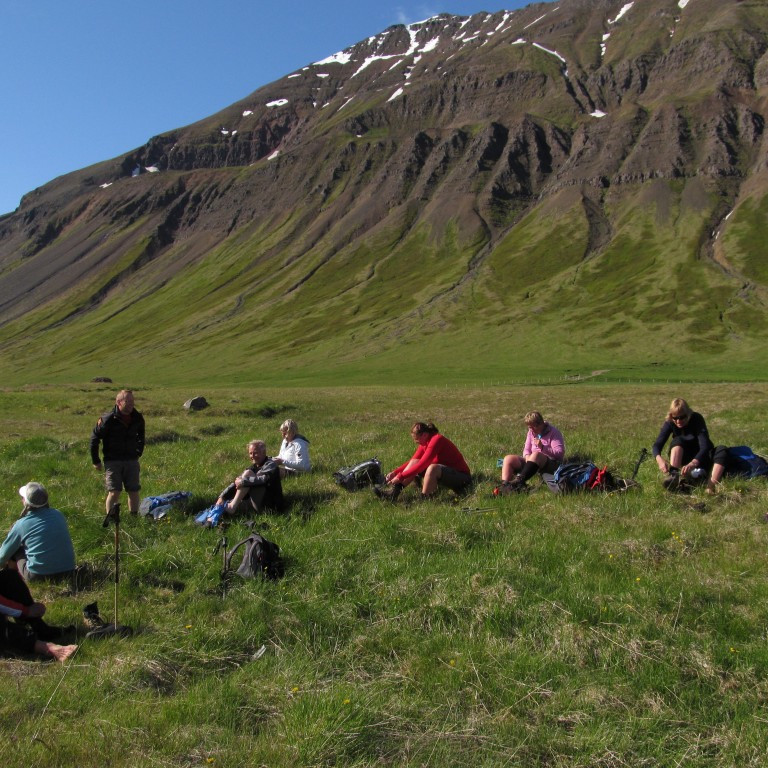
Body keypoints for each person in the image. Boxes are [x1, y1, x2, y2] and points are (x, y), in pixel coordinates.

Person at [375, 422, 471, 502]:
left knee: (433, 468)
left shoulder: (437, 440)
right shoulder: (425, 442)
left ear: (424, 435)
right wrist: (395, 473)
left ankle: (424, 500)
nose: (415, 442)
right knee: (415, 462)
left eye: (416, 439)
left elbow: (422, 464)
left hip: (462, 478)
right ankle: (394, 493)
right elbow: (413, 461)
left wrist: (401, 476)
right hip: (446, 474)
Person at [0, 483, 76, 581]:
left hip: (38, 576)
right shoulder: (58, 514)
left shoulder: (21, 524)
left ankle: (11, 578)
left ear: (26, 502)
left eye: (22, 497)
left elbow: (3, 555)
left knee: (17, 549)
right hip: (68, 572)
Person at [90, 389, 145, 515]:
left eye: (132, 401)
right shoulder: (108, 419)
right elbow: (94, 438)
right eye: (128, 401)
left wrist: (138, 452)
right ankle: (110, 518)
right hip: (113, 460)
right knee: (115, 492)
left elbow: (141, 437)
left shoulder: (137, 418)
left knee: (133, 490)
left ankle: (134, 518)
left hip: (131, 460)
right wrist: (96, 460)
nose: (131, 404)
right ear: (118, 402)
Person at [652, 398, 713, 489]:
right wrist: (659, 459)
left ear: (688, 414)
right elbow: (657, 445)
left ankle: (694, 479)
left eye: (682, 417)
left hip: (699, 455)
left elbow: (705, 446)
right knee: (677, 440)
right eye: (675, 418)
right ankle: (673, 476)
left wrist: (693, 463)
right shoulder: (670, 422)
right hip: (683, 455)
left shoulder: (696, 419)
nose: (678, 421)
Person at [499, 411, 565, 492]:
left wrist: (543, 447)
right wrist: (527, 457)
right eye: (529, 427)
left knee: (536, 455)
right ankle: (504, 485)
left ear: (541, 424)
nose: (532, 430)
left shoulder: (554, 432)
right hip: (531, 462)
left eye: (534, 427)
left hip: (549, 464)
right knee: (508, 458)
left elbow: (559, 454)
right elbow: (526, 449)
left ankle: (518, 482)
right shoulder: (531, 432)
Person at [216, 440, 284, 514]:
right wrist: (223, 496)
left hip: (271, 506)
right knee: (225, 505)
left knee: (247, 475)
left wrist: (243, 481)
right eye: (250, 453)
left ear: (263, 453)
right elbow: (236, 483)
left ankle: (232, 507)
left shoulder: (271, 465)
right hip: (259, 502)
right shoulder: (254, 467)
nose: (252, 456)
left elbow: (265, 479)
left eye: (255, 453)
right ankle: (223, 509)